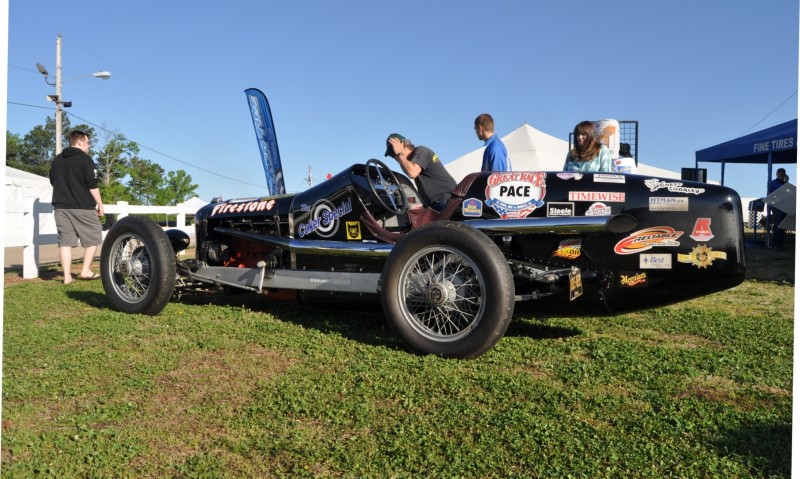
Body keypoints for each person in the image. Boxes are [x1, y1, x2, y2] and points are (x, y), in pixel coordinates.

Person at [49, 130, 105, 284]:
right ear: (79, 142)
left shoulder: (57, 160)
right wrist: (100, 204)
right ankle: (85, 271)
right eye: (87, 143)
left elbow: (53, 181)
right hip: (82, 206)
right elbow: (92, 184)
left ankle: (67, 277)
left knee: (65, 242)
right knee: (94, 238)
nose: (89, 146)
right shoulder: (86, 160)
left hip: (60, 206)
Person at [385, 133, 456, 211]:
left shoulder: (421, 150)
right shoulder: (409, 162)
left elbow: (412, 173)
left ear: (403, 144)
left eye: (393, 152)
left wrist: (399, 153)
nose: (394, 157)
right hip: (433, 204)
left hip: (446, 200)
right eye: (392, 155)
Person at [766, 168, 789, 251]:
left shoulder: (785, 183)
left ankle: (780, 244)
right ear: (777, 174)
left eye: (783, 173)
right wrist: (786, 183)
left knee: (783, 226)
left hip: (785, 206)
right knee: (778, 225)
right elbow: (780, 191)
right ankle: (775, 245)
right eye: (780, 173)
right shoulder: (773, 183)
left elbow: (788, 193)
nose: (782, 174)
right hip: (777, 206)